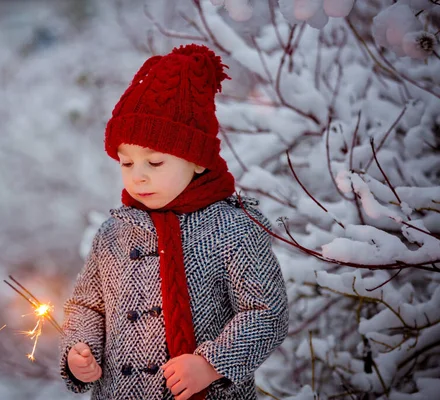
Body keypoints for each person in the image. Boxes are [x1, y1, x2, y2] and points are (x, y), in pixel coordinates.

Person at [58, 43, 289, 400]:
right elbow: (87, 305)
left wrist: (212, 363)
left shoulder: (233, 228)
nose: (138, 178)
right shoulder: (114, 233)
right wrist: (80, 348)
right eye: (127, 163)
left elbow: (265, 312)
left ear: (197, 160)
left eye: (155, 163)